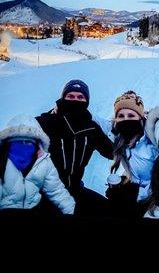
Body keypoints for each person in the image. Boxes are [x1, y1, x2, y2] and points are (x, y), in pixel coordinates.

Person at [36, 79, 113, 216]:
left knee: (110, 211)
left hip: (75, 190)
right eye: (70, 96)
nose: (75, 100)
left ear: (86, 102)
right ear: (63, 98)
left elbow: (113, 152)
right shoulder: (44, 123)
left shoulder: (91, 128)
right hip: (43, 194)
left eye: (80, 97)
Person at [0, 114, 75, 214]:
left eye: (28, 142)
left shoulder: (43, 162)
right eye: (18, 142)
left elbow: (56, 190)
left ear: (37, 143)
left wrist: (71, 211)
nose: (23, 146)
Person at [106, 90, 158, 218]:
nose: (126, 120)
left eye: (131, 115)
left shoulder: (153, 141)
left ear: (140, 118)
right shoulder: (119, 137)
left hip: (155, 196)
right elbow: (95, 122)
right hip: (134, 187)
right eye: (121, 116)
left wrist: (135, 195)